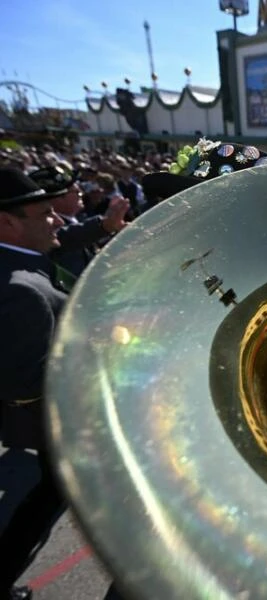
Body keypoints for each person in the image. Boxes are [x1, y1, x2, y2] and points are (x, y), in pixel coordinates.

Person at [0, 168, 70, 600]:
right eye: (45, 214)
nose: (57, 220)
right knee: (37, 510)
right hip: (45, 430)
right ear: (7, 223)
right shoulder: (21, 288)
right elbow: (24, 385)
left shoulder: (19, 270)